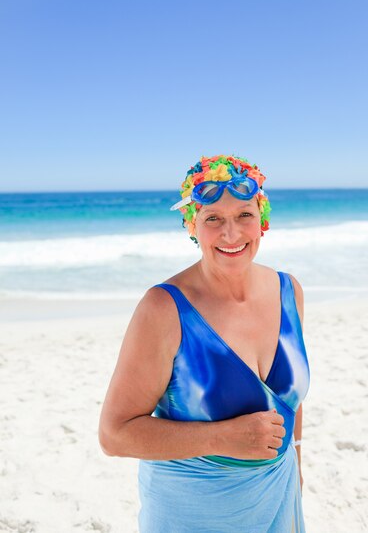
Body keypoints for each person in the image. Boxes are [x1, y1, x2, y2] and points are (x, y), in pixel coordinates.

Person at [99, 153, 310, 532]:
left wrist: (296, 460)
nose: (231, 234)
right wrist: (223, 437)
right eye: (213, 219)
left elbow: (292, 401)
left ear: (262, 221)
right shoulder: (163, 309)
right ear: (192, 226)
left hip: (279, 498)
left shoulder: (288, 291)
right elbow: (114, 435)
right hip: (193, 511)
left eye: (244, 215)